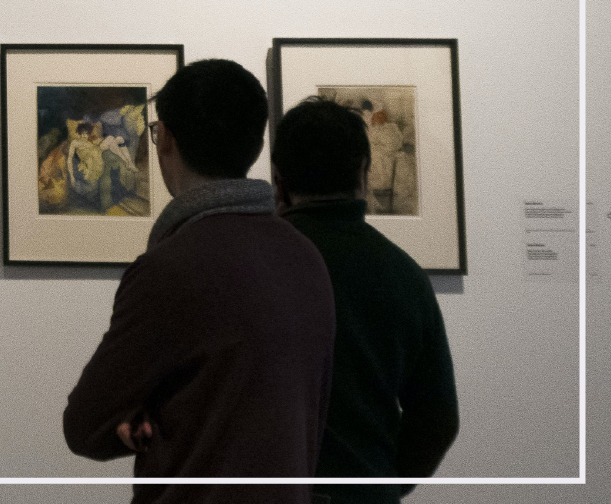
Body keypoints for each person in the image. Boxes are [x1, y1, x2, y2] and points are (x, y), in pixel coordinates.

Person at [63, 58, 336, 504]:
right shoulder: (304, 256)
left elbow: (86, 426)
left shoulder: (170, 268)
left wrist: (141, 420)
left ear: (166, 137)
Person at [273, 98, 459, 504]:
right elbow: (439, 419)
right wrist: (385, 482)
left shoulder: (253, 265)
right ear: (364, 170)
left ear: (279, 180)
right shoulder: (403, 274)